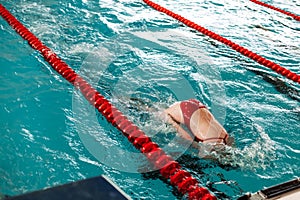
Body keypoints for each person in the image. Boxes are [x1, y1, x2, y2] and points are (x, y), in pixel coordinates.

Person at [161, 99, 233, 146]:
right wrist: (175, 125)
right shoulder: (210, 144)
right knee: (163, 115)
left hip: (197, 106)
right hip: (186, 111)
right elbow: (187, 138)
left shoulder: (227, 138)